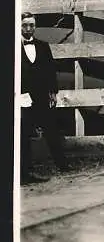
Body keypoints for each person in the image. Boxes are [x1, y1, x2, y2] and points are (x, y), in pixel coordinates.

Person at [20, 12, 68, 184]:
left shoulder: (42, 46)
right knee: (23, 133)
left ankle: (62, 164)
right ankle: (25, 171)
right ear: (19, 25)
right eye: (25, 25)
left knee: (51, 128)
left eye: (32, 25)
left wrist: (53, 92)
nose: (28, 29)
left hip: (41, 95)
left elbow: (50, 70)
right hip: (22, 96)